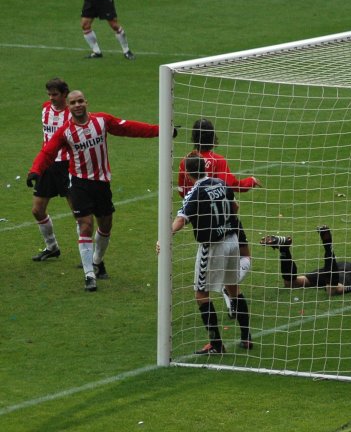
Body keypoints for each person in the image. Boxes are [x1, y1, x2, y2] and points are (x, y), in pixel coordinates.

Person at [27, 90, 164, 292]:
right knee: (85, 225)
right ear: (69, 106)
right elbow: (48, 151)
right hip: (79, 183)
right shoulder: (65, 131)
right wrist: (35, 170)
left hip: (101, 183)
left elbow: (129, 128)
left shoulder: (102, 121)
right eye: (73, 103)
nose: (77, 105)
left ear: (86, 102)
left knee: (106, 225)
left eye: (80, 101)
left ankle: (97, 261)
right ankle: (89, 274)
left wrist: (159, 130)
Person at [168, 154, 252, 354]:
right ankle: (246, 337)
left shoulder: (194, 192)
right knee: (234, 289)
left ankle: (216, 344)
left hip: (212, 246)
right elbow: (235, 207)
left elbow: (181, 220)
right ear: (204, 169)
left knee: (201, 293)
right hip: (232, 240)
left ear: (188, 174)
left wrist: (164, 237)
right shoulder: (221, 183)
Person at [178, 119, 261, 319]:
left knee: (209, 264)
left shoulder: (186, 162)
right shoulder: (219, 160)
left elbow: (184, 192)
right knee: (245, 256)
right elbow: (233, 186)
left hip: (203, 222)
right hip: (227, 220)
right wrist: (251, 181)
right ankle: (229, 288)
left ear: (193, 137)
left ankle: (227, 289)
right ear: (213, 137)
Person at [30, 78, 74, 261]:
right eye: (49, 94)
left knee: (79, 213)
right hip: (48, 165)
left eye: (55, 94)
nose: (51, 98)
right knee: (37, 210)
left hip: (67, 166)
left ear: (64, 94)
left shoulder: (74, 113)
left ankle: (90, 258)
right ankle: (52, 247)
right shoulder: (45, 108)